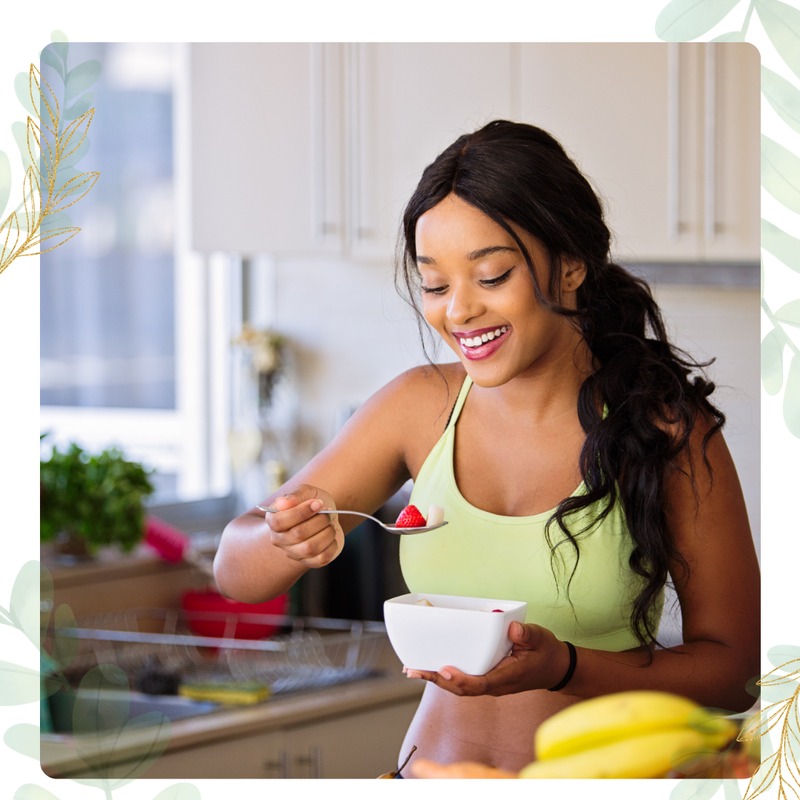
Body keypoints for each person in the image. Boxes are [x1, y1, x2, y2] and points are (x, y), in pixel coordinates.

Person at [213, 120, 760, 776]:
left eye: (491, 276)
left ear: (570, 266)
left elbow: (737, 669)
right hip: (424, 779)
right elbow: (234, 571)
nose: (458, 312)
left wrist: (567, 667)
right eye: (436, 286)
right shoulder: (418, 408)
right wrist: (282, 539)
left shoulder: (666, 430)